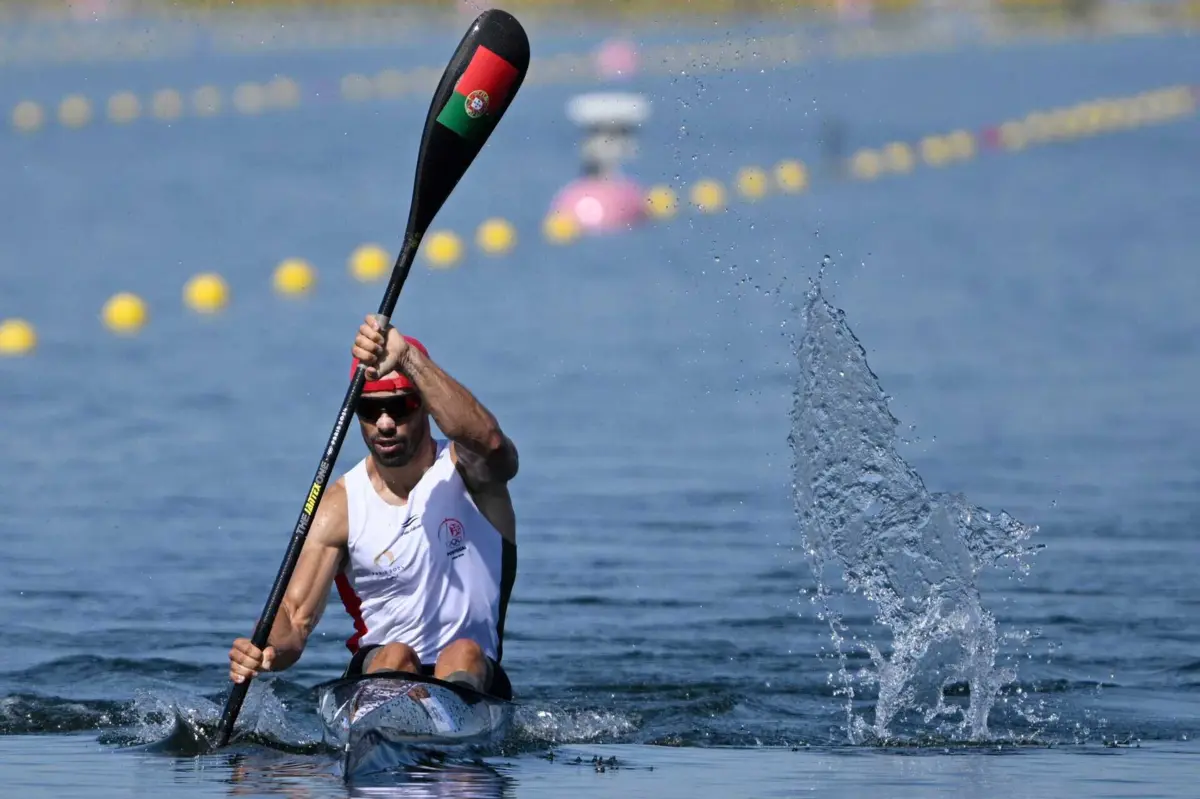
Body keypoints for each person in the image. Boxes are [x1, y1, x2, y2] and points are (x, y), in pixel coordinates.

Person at [227, 315, 519, 698]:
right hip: (380, 669)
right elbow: (293, 617)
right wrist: (264, 648)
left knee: (462, 652)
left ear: (426, 405)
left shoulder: (473, 473)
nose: (384, 423)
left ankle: (447, 715)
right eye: (369, 409)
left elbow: (492, 443)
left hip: (472, 676)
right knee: (396, 654)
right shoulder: (340, 506)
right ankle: (391, 712)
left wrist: (407, 358)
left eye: (400, 406)